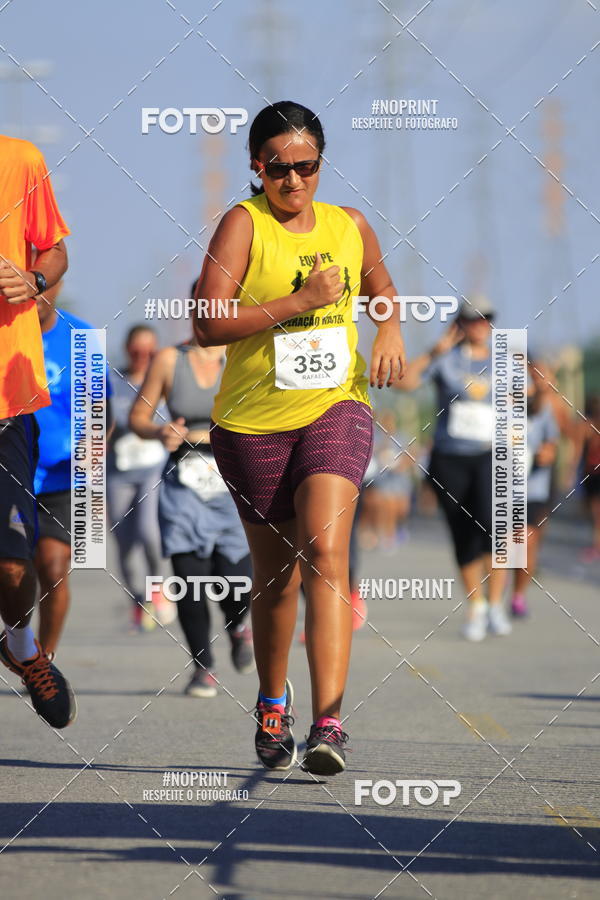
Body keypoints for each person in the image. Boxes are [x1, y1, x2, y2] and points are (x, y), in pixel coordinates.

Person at [193, 101, 406, 775]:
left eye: (307, 167)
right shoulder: (242, 224)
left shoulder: (350, 226)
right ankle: (272, 701)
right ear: (257, 168)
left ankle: (330, 722)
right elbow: (206, 322)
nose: (294, 182)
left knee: (325, 549)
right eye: (279, 169)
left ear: (321, 164)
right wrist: (298, 301)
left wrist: (392, 328)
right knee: (277, 578)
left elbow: (380, 287)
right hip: (252, 423)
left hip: (334, 406)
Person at [129, 319, 255, 698]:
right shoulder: (170, 360)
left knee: (235, 578)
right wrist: (159, 432)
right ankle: (203, 667)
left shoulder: (244, 356)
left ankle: (237, 627)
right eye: (207, 303)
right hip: (183, 483)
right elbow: (138, 418)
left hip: (234, 480)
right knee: (190, 579)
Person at [0, 135, 75, 728]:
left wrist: (35, 278)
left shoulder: (19, 159)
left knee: (19, 569)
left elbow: (53, 250)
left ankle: (23, 647)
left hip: (10, 403)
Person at [396, 297, 511, 641]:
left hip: (492, 455)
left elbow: (531, 396)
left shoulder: (506, 360)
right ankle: (475, 606)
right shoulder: (445, 360)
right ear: (459, 322)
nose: (479, 325)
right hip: (450, 458)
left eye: (485, 318)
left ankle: (496, 604)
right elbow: (403, 382)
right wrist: (434, 350)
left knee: (497, 530)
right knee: (463, 533)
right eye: (471, 319)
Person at [34, 280, 113, 654]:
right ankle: (18, 640)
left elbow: (102, 404)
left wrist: (96, 443)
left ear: (58, 284)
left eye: (40, 286)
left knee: (52, 568)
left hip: (66, 476)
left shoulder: (80, 334)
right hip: (11, 471)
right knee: (12, 574)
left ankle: (43, 661)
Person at [107, 325, 170, 631]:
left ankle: (158, 589)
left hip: (154, 470)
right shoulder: (112, 383)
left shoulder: (163, 381)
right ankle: (139, 600)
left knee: (149, 533)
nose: (143, 358)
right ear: (127, 351)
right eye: (137, 352)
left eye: (150, 353)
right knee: (125, 545)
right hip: (117, 473)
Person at [509, 362, 559, 617]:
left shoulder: (543, 407)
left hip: (532, 488)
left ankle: (517, 596)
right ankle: (489, 597)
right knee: (500, 545)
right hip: (497, 485)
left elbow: (552, 440)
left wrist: (548, 451)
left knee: (525, 540)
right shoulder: (498, 402)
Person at [360, 409, 413, 552]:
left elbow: (410, 458)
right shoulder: (375, 437)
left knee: (399, 508)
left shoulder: (402, 437)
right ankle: (382, 534)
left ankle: (395, 530)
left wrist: (399, 465)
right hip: (380, 479)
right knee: (379, 504)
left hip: (399, 480)